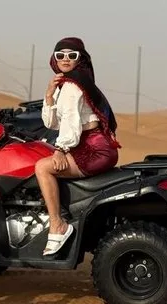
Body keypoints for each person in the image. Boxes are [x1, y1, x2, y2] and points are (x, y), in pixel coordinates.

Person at [35, 37, 121, 256]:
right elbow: (52, 123)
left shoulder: (73, 85)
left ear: (80, 59)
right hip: (89, 145)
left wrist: (61, 149)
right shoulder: (68, 83)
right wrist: (49, 95)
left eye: (71, 55)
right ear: (54, 59)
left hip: (94, 149)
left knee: (42, 168)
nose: (65, 59)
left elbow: (71, 121)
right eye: (60, 55)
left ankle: (57, 224)